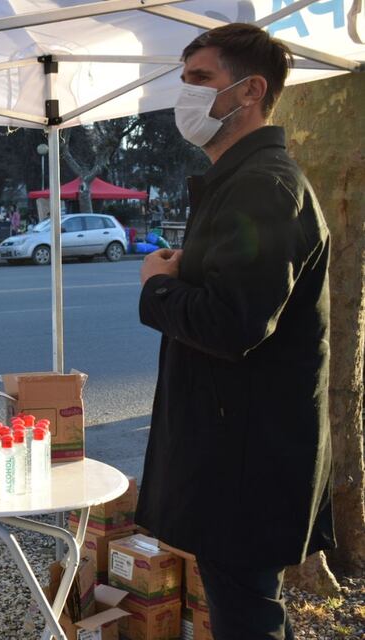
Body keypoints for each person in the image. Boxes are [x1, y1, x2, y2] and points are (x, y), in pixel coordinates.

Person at [137, 24, 332, 640]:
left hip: (245, 463)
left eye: (200, 80)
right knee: (245, 612)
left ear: (250, 91)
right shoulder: (244, 180)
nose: (184, 96)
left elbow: (231, 323)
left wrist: (157, 286)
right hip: (240, 453)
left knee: (248, 619)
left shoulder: (261, 185)